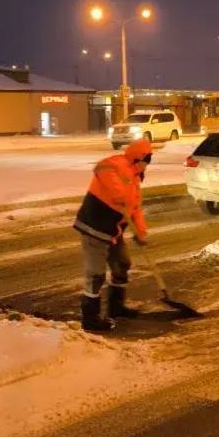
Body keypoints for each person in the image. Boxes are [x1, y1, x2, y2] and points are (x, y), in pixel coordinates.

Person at [73, 138, 152, 331]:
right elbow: (101, 168)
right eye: (147, 159)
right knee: (96, 274)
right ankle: (90, 319)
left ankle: (116, 308)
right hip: (95, 227)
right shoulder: (117, 164)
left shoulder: (135, 178)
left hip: (113, 232)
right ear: (137, 158)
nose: (148, 164)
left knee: (122, 264)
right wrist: (118, 193)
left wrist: (141, 232)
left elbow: (135, 209)